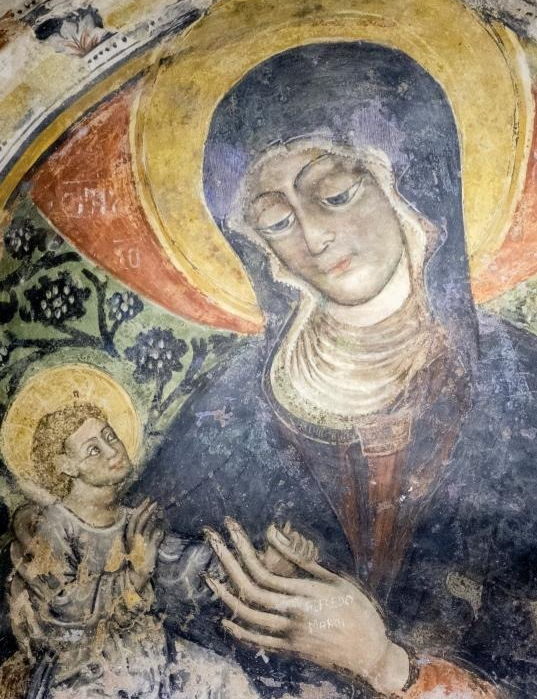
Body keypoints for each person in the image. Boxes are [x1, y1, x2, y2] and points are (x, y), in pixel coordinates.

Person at [130, 43, 537, 698]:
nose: (313, 236)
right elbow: (139, 589)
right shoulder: (228, 410)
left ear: (410, 190)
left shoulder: (522, 383)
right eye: (276, 220)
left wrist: (384, 663)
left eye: (335, 194)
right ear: (263, 252)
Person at [10, 401, 299, 698]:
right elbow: (63, 607)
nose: (112, 451)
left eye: (110, 436)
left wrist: (262, 566)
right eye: (93, 449)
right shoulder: (53, 525)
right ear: (67, 466)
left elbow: (187, 564)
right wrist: (136, 573)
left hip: (152, 655)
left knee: (229, 681)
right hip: (84, 672)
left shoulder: (133, 520)